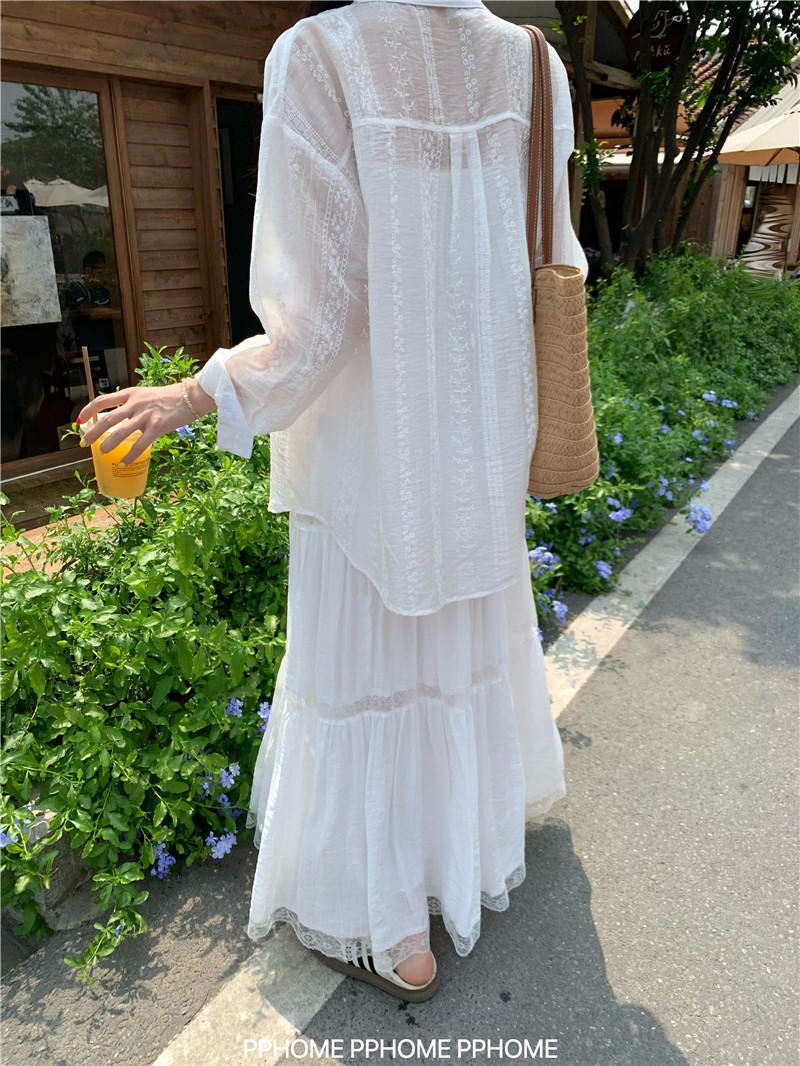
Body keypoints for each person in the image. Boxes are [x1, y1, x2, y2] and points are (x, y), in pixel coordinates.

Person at [78, 0, 587, 1002]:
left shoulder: (320, 53)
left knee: (364, 661)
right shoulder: (535, 63)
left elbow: (321, 316)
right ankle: (464, 852)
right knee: (457, 641)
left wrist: (201, 393)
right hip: (481, 435)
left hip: (372, 442)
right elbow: (554, 254)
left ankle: (389, 926)